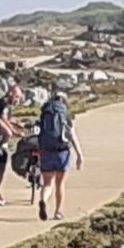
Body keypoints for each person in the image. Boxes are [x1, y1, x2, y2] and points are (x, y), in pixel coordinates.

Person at [36, 89, 84, 221]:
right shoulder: (65, 114)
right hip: (62, 151)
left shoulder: (45, 112)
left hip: (46, 150)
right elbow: (72, 135)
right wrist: (79, 154)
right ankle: (58, 212)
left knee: (47, 183)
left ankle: (43, 200)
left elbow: (37, 131)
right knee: (60, 183)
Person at [0, 84, 24, 206]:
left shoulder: (5, 104)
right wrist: (13, 131)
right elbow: (2, 118)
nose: (18, 100)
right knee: (8, 134)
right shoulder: (4, 103)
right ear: (10, 94)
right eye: (17, 97)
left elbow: (7, 118)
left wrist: (17, 123)